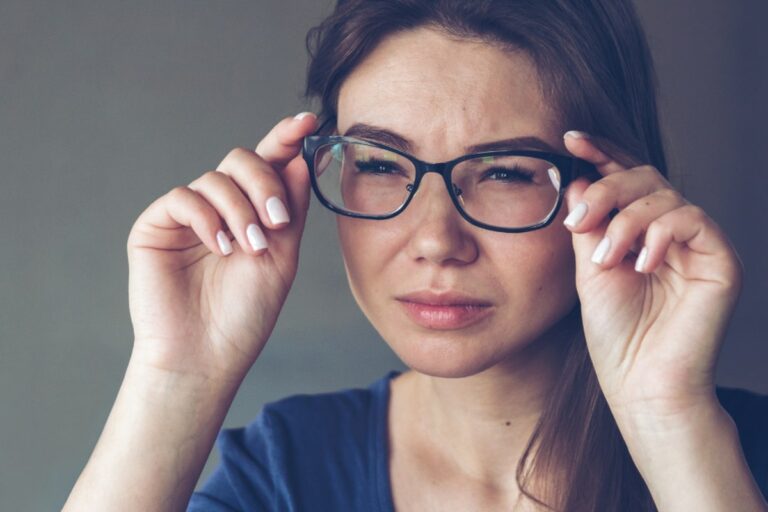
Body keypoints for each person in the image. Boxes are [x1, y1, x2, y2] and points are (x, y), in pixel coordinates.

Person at [63, 1, 768, 511]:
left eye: (504, 173)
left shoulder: (734, 459)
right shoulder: (287, 472)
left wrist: (667, 417)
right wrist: (175, 377)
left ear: (613, 186)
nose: (434, 241)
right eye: (379, 162)